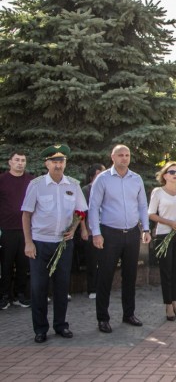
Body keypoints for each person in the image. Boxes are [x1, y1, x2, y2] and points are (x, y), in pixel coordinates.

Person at [21, 145, 87, 343]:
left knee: (61, 287)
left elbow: (81, 211)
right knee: (39, 287)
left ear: (65, 163)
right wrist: (28, 242)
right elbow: (26, 214)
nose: (58, 165)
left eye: (61, 161)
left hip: (63, 244)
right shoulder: (37, 184)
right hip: (40, 243)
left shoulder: (73, 185)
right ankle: (40, 329)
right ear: (46, 163)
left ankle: (61, 325)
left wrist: (75, 229)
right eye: (54, 161)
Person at [89, 144, 151, 333]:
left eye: (127, 155)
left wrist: (146, 228)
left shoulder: (136, 178)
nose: (124, 158)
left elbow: (142, 205)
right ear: (112, 157)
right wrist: (96, 233)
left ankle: (128, 314)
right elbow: (93, 207)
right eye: (120, 155)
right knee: (105, 277)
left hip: (132, 233)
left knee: (130, 276)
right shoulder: (103, 179)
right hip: (109, 234)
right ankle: (103, 318)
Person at [148, 161, 176, 321]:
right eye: (172, 172)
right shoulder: (158, 192)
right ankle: (168, 305)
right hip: (164, 233)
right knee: (166, 270)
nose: (175, 174)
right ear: (165, 175)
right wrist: (169, 223)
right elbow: (151, 214)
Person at [0, 151, 34, 310]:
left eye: (23, 160)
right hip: (6, 229)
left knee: (23, 263)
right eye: (17, 160)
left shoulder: (31, 181)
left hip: (26, 229)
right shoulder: (2, 180)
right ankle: (5, 296)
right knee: (6, 264)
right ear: (10, 162)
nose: (20, 163)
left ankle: (20, 294)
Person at [80, 164, 105, 299]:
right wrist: (83, 229)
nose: (101, 175)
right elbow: (81, 212)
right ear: (91, 176)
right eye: (98, 173)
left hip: (106, 230)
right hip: (91, 231)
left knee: (104, 261)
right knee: (92, 261)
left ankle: (102, 287)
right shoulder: (86, 189)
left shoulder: (107, 187)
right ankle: (92, 289)